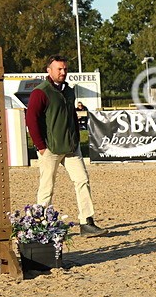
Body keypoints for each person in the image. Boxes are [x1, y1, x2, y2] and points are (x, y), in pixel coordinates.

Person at [25, 56, 108, 236]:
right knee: (47, 187)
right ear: (49, 70)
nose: (63, 72)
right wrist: (40, 146)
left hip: (71, 148)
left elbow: (72, 116)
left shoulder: (69, 91)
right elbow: (31, 119)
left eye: (64, 69)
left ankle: (87, 222)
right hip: (50, 149)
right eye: (59, 69)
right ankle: (39, 224)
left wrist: (76, 138)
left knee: (82, 180)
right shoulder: (40, 92)